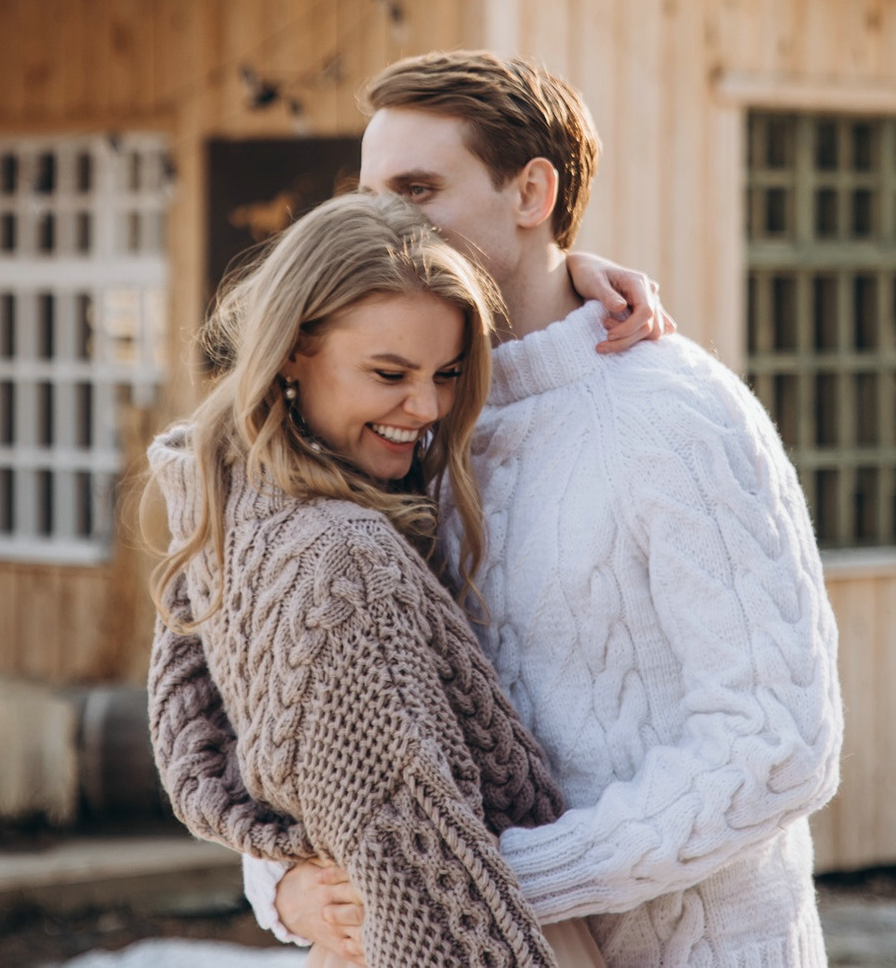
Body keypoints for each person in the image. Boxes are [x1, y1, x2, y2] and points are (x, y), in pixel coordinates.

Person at [239, 52, 846, 967]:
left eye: (416, 188)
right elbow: (288, 718)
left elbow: (778, 745)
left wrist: (478, 881)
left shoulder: (678, 417)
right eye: (368, 194)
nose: (380, 222)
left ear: (532, 192)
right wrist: (284, 885)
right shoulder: (402, 429)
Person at [144, 192, 606, 967]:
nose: (425, 406)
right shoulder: (344, 562)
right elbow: (423, 879)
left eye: (448, 372)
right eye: (389, 372)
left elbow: (222, 758)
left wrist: (288, 888)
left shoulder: (226, 505)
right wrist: (294, 887)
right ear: (293, 348)